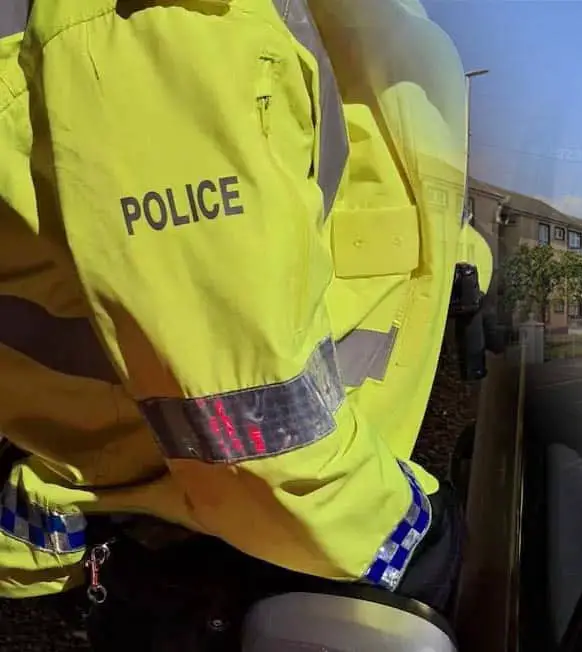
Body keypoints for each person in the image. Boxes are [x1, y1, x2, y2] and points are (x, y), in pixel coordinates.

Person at [0, 0, 491, 647]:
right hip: (164, 550)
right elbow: (245, 429)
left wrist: (461, 257)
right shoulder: (174, 24)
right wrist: (402, 540)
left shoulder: (373, 23)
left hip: (287, 523)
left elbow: (374, 180)